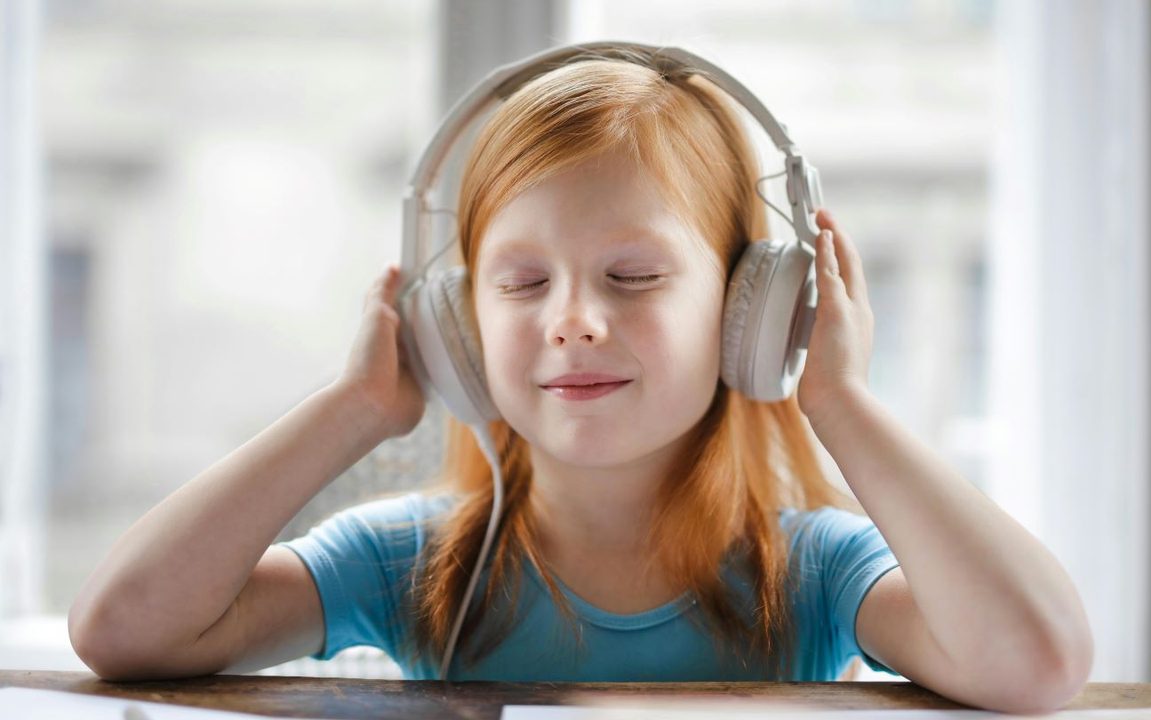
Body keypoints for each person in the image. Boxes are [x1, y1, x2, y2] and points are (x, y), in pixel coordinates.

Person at [68, 50, 1092, 714]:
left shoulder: (811, 570)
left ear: (753, 312)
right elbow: (122, 630)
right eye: (521, 283)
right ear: (454, 326)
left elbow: (1037, 661)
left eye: (632, 276)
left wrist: (840, 401)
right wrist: (354, 412)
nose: (573, 319)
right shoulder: (418, 563)